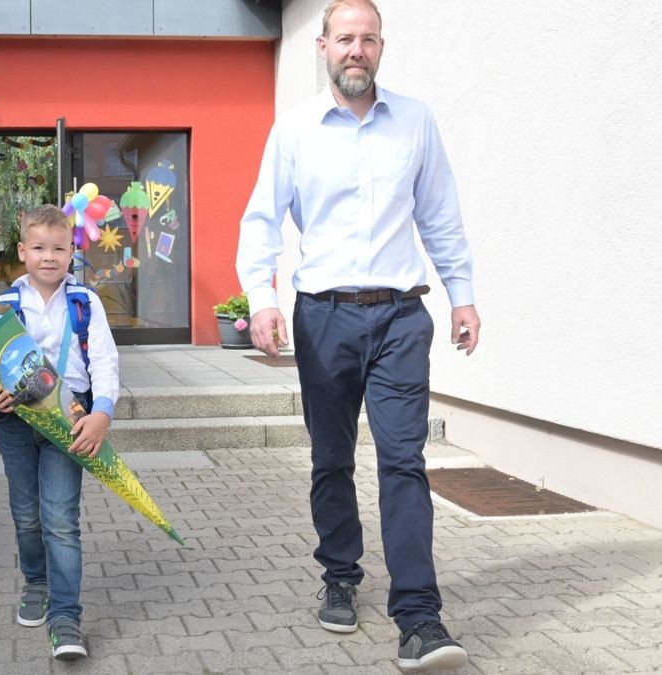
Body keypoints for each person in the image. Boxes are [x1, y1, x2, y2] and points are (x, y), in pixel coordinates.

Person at [236, 1, 480, 671]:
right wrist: (262, 298)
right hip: (325, 317)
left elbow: (440, 214)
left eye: (368, 39)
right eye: (345, 38)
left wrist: (463, 295)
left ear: (381, 47)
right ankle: (340, 572)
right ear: (323, 46)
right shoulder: (295, 130)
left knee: (404, 460)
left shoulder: (416, 122)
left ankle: (420, 617)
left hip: (402, 315)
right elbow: (261, 221)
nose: (356, 50)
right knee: (332, 457)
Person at [0, 205, 119, 661]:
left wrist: (103, 413)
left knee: (60, 518)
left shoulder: (86, 303)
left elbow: (105, 360)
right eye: (38, 247)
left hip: (70, 421)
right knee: (26, 515)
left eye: (59, 248)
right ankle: (36, 582)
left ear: (72, 250)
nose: (49, 256)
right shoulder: (4, 304)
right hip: (15, 422)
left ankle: (66, 616)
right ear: (22, 251)